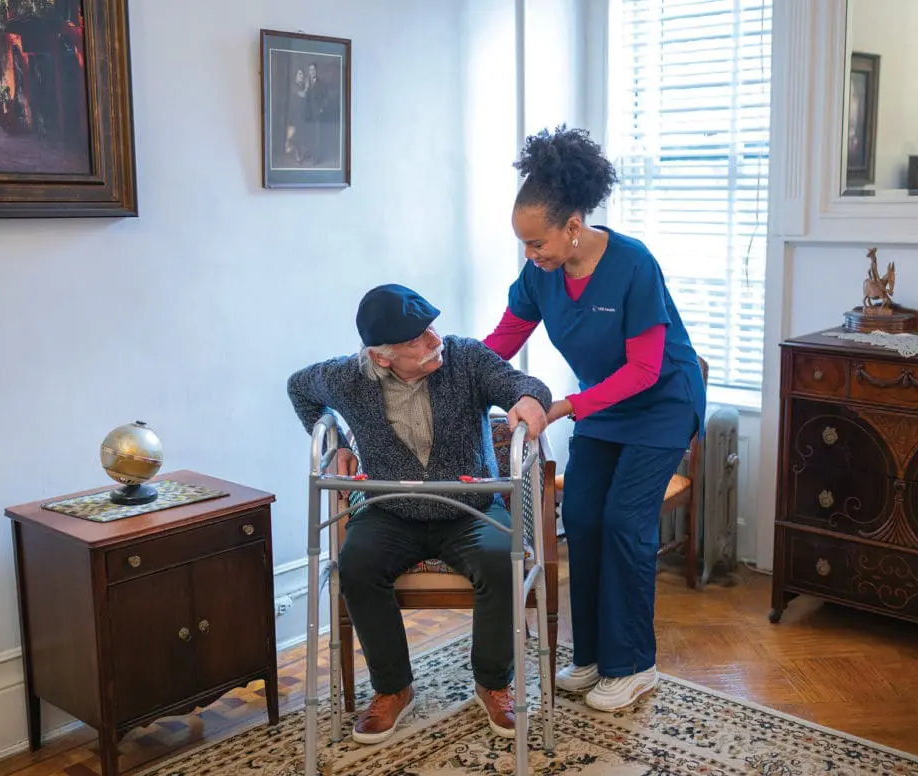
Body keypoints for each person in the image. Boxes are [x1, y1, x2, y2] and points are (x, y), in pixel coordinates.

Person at [482, 126, 706, 713]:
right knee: (579, 516)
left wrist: (564, 408)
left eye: (537, 243)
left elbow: (644, 369)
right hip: (604, 407)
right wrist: (455, 371)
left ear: (572, 225)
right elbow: (504, 337)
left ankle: (633, 665)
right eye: (525, 245)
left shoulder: (632, 264)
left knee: (623, 522)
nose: (531, 256)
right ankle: (590, 658)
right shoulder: (541, 274)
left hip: (661, 404)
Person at [287, 283, 550, 744]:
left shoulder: (465, 359)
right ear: (383, 357)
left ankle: (493, 682)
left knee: (501, 560)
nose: (435, 341)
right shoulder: (349, 378)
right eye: (419, 339)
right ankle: (393, 689)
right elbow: (299, 387)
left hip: (470, 509)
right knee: (356, 565)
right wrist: (339, 446)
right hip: (391, 513)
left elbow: (518, 383)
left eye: (432, 327)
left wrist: (528, 397)